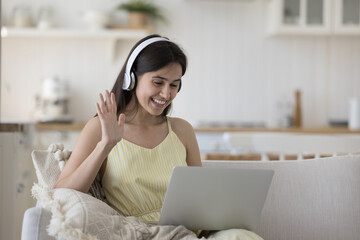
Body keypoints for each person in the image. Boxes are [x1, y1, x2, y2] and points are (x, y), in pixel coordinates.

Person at [54, 34, 263, 240]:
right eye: (158, 82)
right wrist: (105, 145)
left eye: (174, 85)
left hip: (187, 234)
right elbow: (62, 193)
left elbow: (200, 201)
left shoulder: (182, 130)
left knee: (243, 236)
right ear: (131, 78)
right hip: (137, 233)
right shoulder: (100, 128)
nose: (165, 94)